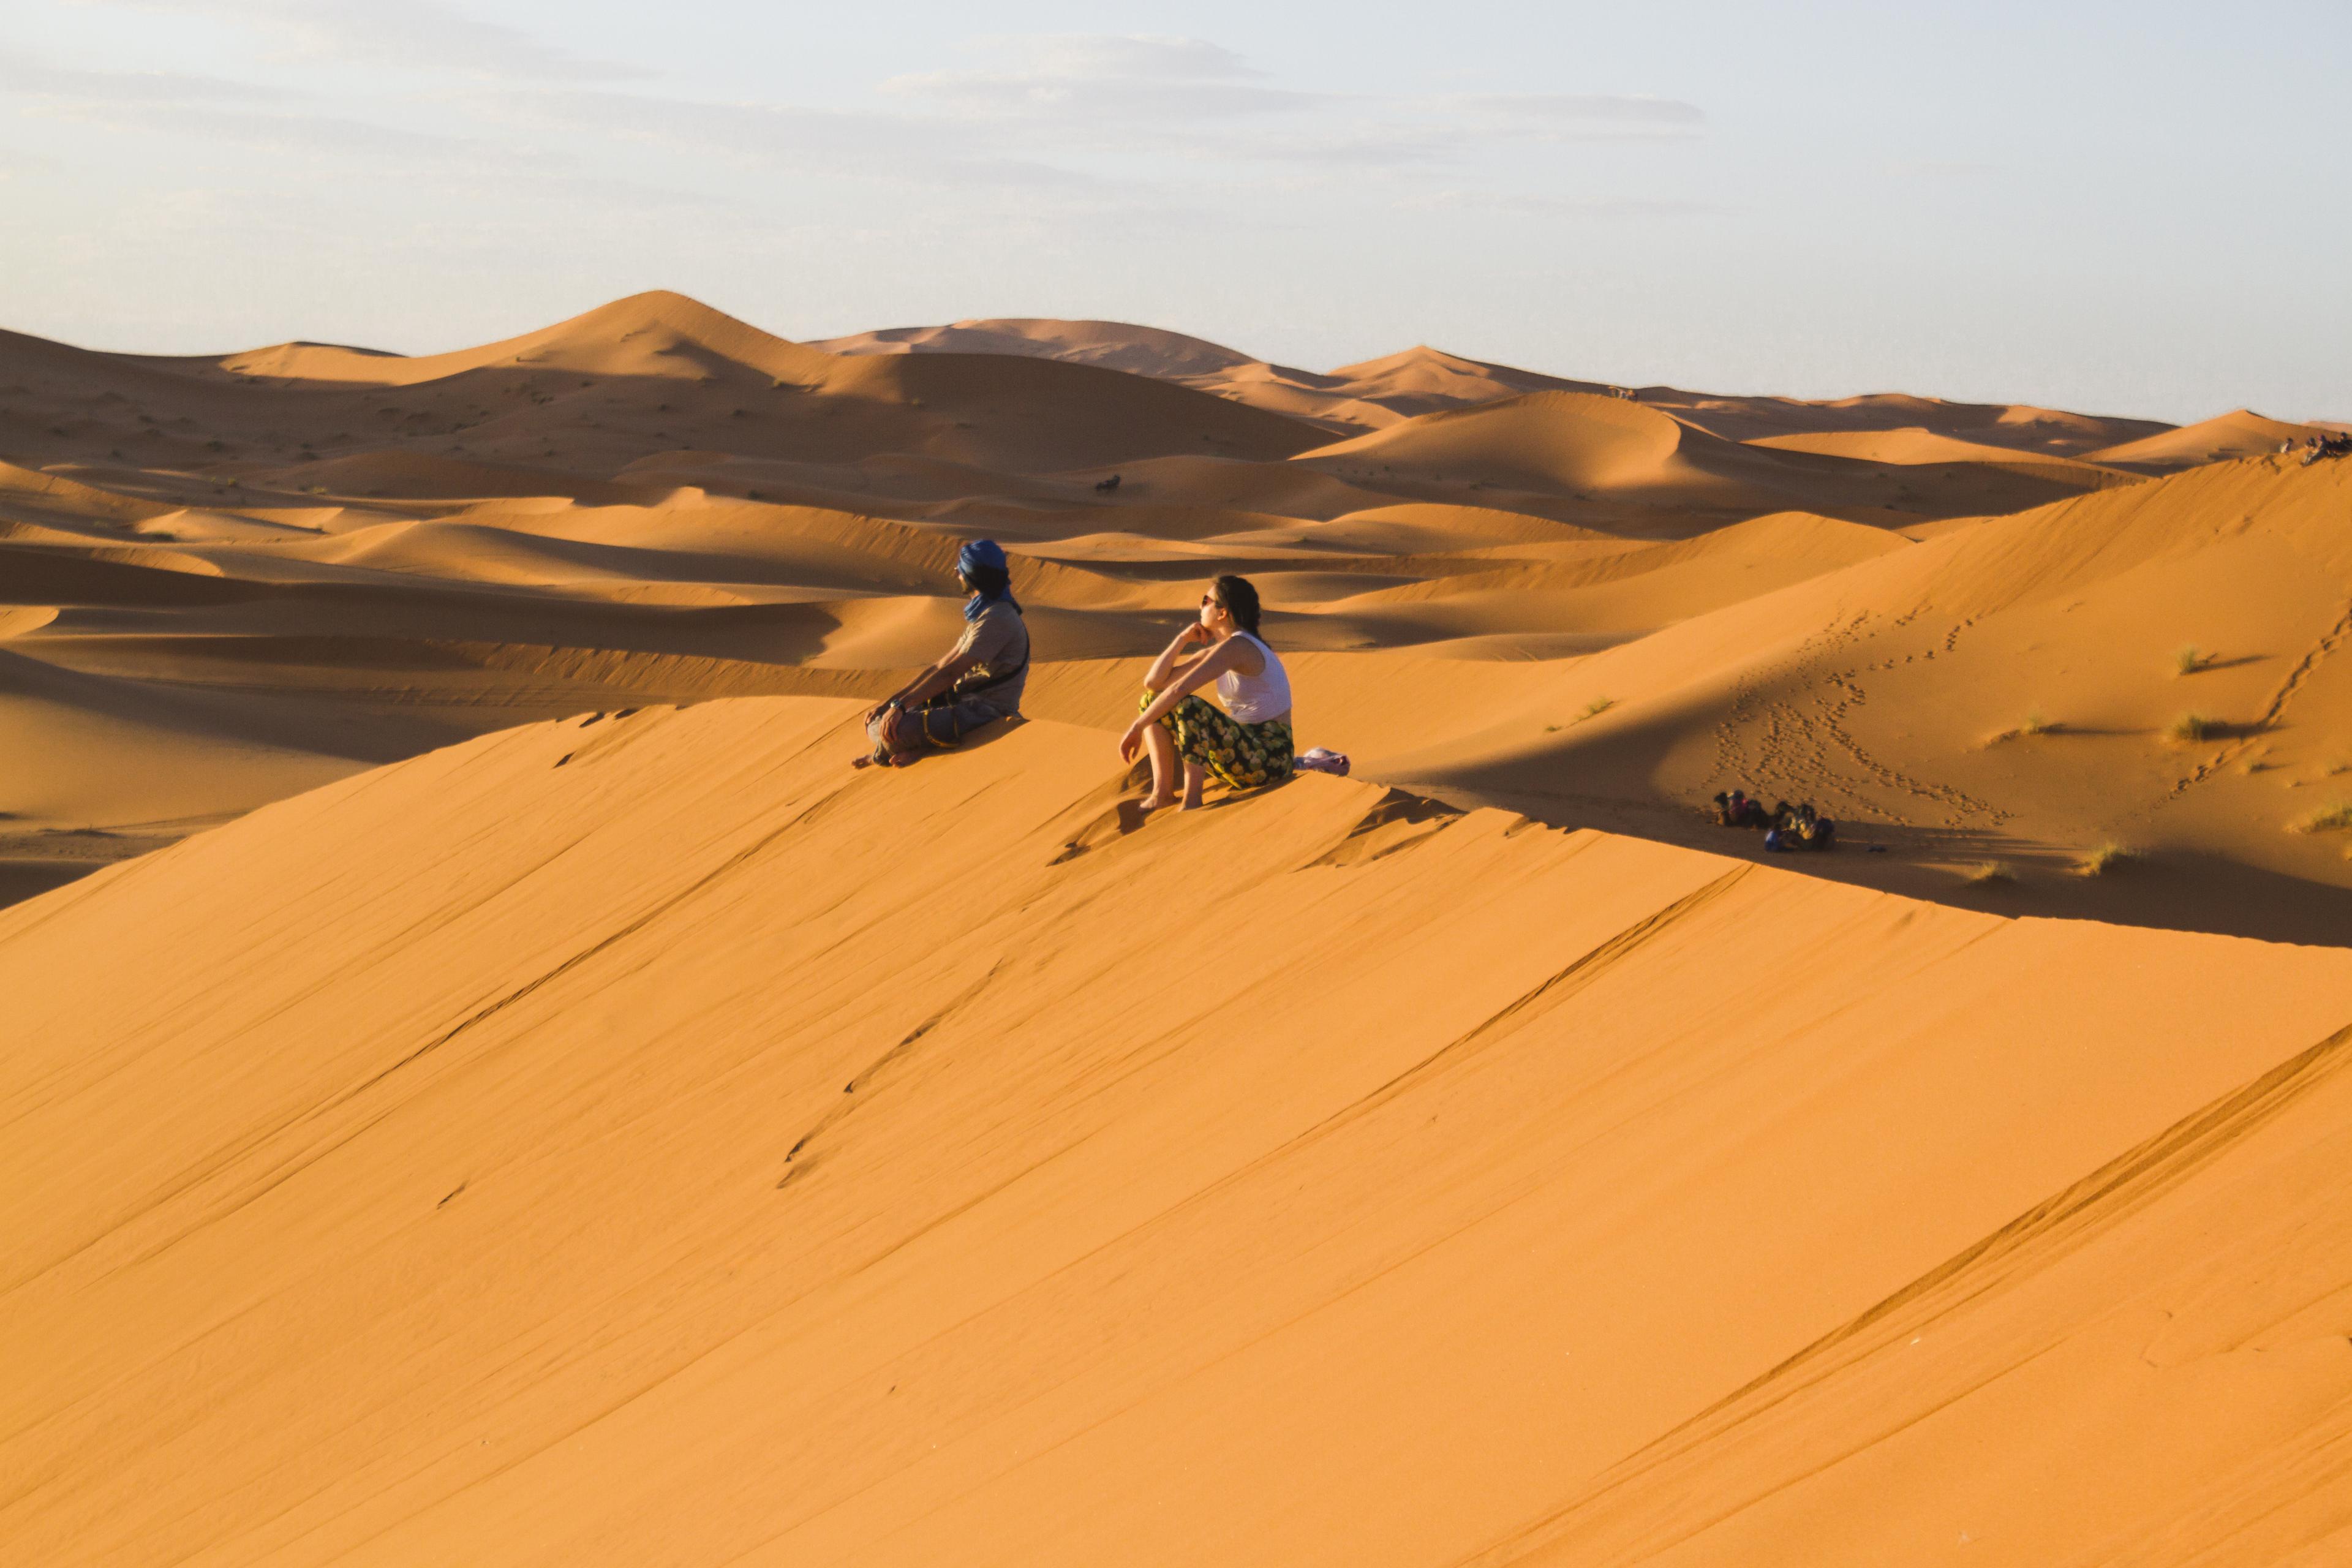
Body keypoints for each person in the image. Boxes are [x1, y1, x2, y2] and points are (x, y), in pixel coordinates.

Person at [1118, 573, 1293, 811]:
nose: (1200, 607)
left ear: (1222, 613)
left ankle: (1192, 801)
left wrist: (1137, 727)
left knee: (1191, 707)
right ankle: (1162, 794)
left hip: (1270, 758)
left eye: (1205, 601)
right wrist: (1182, 639)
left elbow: (1180, 689)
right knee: (1151, 700)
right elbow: (1154, 684)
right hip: (1242, 755)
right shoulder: (1221, 650)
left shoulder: (1240, 646)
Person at [861, 539, 1028, 766]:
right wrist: (892, 704)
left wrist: (899, 708)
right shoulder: (985, 616)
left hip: (986, 713)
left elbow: (951, 673)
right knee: (880, 722)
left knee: (896, 728)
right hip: (962, 704)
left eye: (961, 569)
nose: (957, 574)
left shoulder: (997, 619)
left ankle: (903, 750)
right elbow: (940, 667)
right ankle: (908, 745)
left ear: (972, 574)